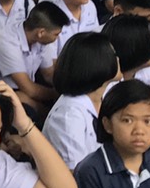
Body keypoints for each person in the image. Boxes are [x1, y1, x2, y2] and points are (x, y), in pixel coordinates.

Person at [40, 33, 120, 168]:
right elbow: (76, 172)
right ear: (97, 64)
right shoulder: (68, 116)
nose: (118, 59)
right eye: (113, 55)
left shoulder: (106, 94)